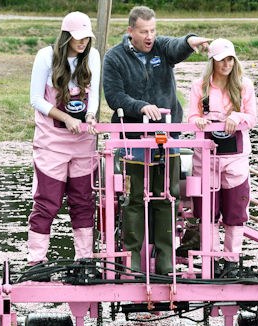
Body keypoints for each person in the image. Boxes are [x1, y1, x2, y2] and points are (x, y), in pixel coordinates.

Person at [102, 6, 211, 276]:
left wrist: (190, 40)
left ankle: (165, 262)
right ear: (131, 31)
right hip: (132, 141)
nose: (149, 36)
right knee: (134, 200)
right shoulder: (114, 58)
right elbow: (114, 97)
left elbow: (177, 46)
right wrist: (140, 106)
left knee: (168, 198)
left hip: (167, 140)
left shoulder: (161, 48)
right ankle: (132, 262)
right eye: (143, 31)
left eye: (152, 30)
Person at [27, 11, 101, 264]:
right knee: (47, 201)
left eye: (86, 38)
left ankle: (85, 259)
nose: (82, 43)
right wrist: (66, 117)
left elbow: (95, 98)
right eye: (78, 38)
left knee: (83, 201)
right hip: (51, 141)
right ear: (66, 35)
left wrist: (90, 116)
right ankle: (37, 260)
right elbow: (36, 99)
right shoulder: (45, 56)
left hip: (83, 142)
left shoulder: (92, 56)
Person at [187, 38, 257, 278]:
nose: (226, 64)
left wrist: (236, 117)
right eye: (221, 60)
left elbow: (252, 117)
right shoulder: (200, 86)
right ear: (212, 62)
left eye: (230, 59)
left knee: (235, 211)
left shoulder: (244, 85)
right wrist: (197, 120)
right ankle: (211, 258)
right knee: (208, 211)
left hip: (235, 158)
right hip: (206, 159)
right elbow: (191, 117)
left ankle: (231, 260)